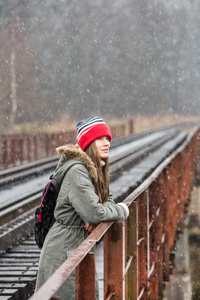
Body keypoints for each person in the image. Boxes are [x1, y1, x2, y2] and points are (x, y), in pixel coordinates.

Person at [35, 116, 129, 299]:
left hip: (74, 245)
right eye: (100, 138)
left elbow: (106, 200)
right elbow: (95, 212)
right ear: (88, 142)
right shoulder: (77, 171)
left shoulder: (94, 168)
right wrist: (121, 210)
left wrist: (96, 215)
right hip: (63, 249)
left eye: (108, 138)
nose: (106, 143)